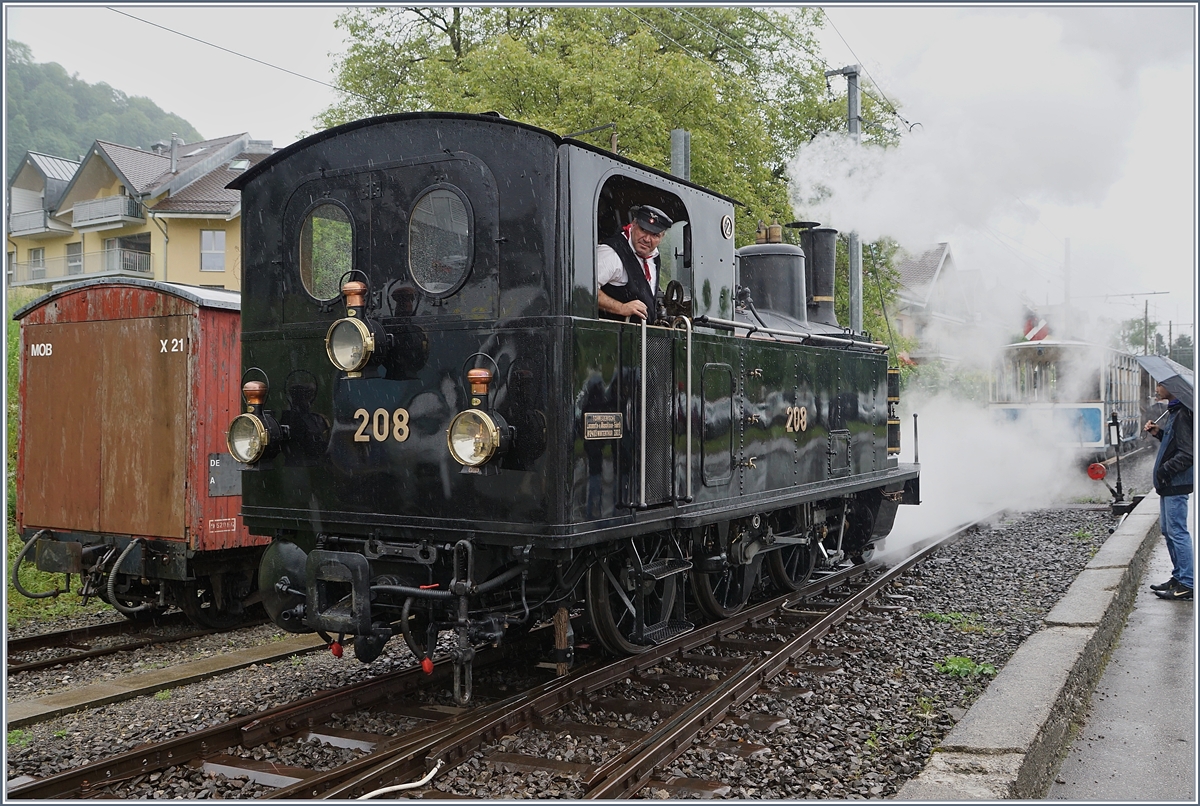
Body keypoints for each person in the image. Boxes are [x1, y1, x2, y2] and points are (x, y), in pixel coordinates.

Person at [1144, 382, 1194, 601]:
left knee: (1177, 532)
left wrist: (1164, 470)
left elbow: (1188, 453)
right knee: (1168, 530)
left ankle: (1188, 583)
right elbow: (1175, 444)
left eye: (1160, 385)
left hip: (1175, 483)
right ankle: (1178, 577)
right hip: (1170, 484)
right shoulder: (1175, 411)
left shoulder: (1182, 414)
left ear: (1173, 388)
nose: (1156, 388)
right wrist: (1159, 433)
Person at [597, 205, 673, 322]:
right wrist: (621, 308)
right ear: (633, 224)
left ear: (662, 237)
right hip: (611, 332)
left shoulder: (654, 256)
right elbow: (583, 290)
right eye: (643, 230)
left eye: (655, 235)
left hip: (642, 333)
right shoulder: (611, 252)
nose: (647, 239)